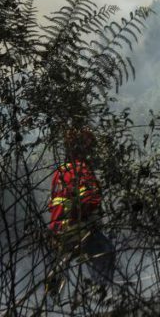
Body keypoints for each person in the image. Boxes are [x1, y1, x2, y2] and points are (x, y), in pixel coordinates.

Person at [46, 127, 114, 297]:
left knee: (63, 263)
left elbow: (53, 204)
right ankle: (100, 294)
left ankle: (51, 294)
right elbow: (89, 201)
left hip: (57, 231)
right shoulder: (81, 170)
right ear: (84, 149)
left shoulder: (60, 171)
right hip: (78, 229)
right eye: (90, 148)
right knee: (106, 251)